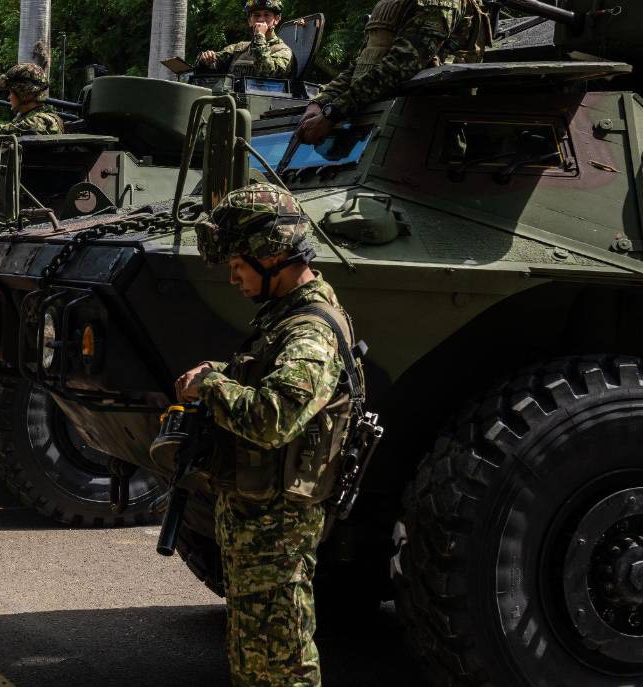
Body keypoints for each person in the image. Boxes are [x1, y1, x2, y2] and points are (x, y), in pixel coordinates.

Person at [174, 182, 362, 687]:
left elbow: (274, 417)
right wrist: (222, 371)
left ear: (272, 253)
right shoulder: (282, 318)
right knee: (254, 659)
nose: (233, 277)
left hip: (277, 529)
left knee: (282, 665)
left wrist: (212, 386)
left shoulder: (309, 331)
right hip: (257, 521)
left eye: (238, 264)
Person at [296, 0, 489, 145]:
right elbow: (363, 63)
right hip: (371, 125)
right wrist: (320, 102)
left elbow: (400, 66)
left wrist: (333, 113)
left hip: (416, 136)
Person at [0, 63, 64, 157]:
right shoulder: (24, 118)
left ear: (24, 94)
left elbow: (32, 126)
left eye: (11, 93)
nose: (9, 97)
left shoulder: (47, 120)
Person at [195, 0, 293, 79]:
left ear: (276, 19)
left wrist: (259, 36)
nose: (261, 19)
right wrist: (205, 60)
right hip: (231, 100)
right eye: (256, 15)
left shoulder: (283, 51)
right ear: (250, 21)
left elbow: (267, 72)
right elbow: (213, 66)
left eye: (266, 15)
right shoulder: (239, 48)